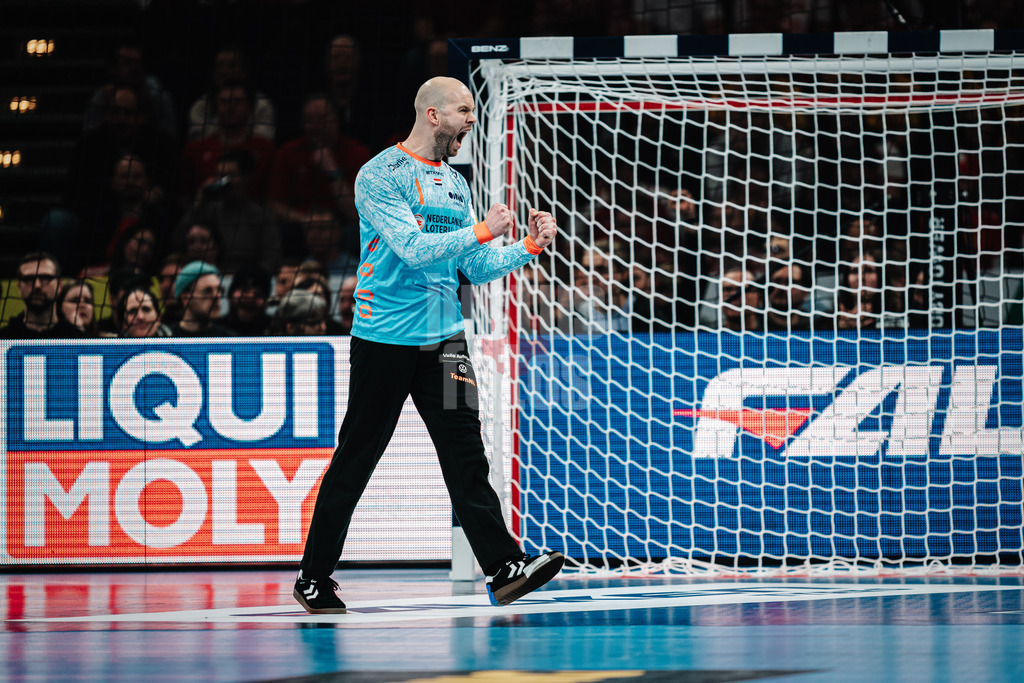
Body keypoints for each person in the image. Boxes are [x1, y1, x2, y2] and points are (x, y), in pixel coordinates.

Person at [294, 76, 563, 615]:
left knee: (467, 454)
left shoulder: (455, 184)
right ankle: (313, 576)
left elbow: (472, 266)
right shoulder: (379, 175)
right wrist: (484, 231)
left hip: (445, 340)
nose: (471, 119)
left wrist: (528, 246)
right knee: (358, 457)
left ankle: (504, 568)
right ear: (433, 115)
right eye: (464, 110)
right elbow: (415, 250)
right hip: (385, 339)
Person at [0, 253, 84, 339]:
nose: (37, 285)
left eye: (45, 278)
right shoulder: (3, 340)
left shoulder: (78, 340)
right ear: (19, 287)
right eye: (29, 279)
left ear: (59, 285)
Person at [168, 261, 236, 337]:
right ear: (186, 298)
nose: (217, 296)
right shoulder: (165, 338)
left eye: (219, 289)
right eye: (207, 291)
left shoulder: (229, 339)